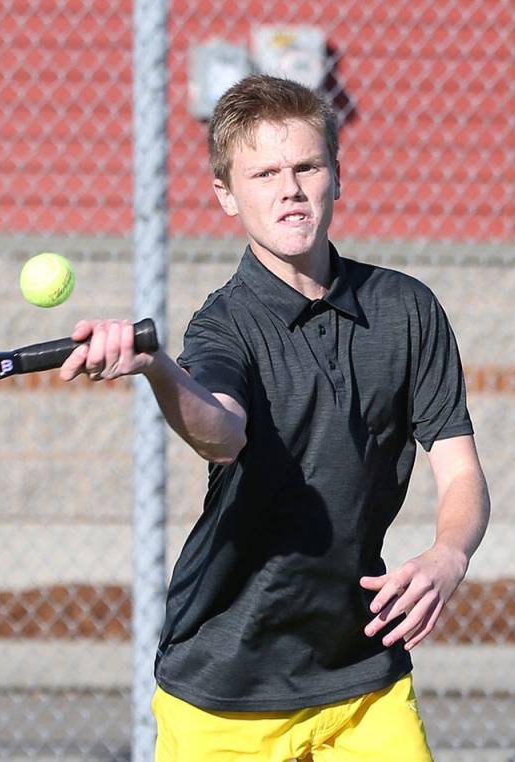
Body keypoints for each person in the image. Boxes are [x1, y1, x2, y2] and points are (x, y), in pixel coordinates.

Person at [59, 74, 491, 761]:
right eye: (263, 173)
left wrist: (450, 553)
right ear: (227, 195)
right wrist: (157, 368)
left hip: (361, 679)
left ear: (336, 178)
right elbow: (222, 431)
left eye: (306, 166)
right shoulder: (223, 325)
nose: (289, 187)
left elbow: (460, 467)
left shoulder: (408, 311)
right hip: (224, 691)